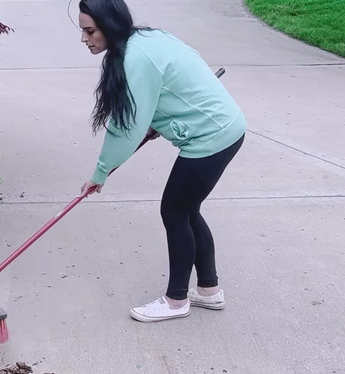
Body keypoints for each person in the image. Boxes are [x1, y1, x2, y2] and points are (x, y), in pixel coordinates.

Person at [77, 0, 247, 322]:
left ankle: (176, 300)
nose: (84, 39)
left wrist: (101, 173)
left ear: (109, 26)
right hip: (226, 128)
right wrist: (158, 121)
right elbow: (166, 91)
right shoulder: (147, 39)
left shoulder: (136, 58)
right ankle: (208, 291)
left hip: (210, 138)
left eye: (89, 31)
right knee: (186, 209)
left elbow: (126, 128)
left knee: (175, 211)